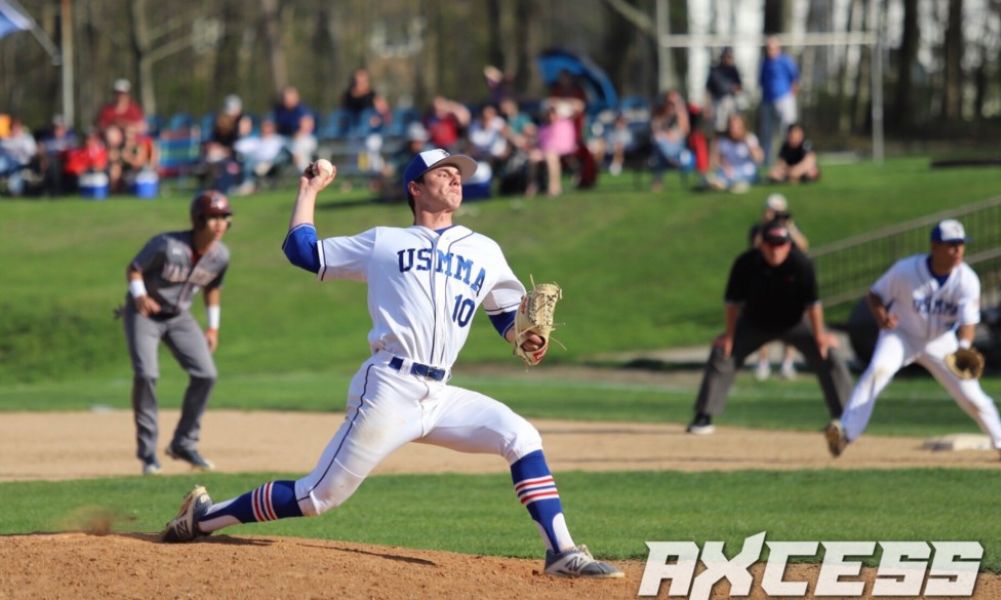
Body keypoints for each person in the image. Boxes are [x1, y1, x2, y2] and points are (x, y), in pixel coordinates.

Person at [159, 149, 624, 579]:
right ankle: (204, 518)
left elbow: (504, 312)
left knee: (521, 436)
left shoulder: (484, 250)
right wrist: (309, 191)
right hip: (389, 388)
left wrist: (526, 339)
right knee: (316, 497)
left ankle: (560, 552)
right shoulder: (383, 242)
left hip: (441, 396)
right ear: (415, 189)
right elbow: (303, 252)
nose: (455, 179)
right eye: (443, 173)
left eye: (458, 173)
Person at [825, 220, 1001, 462]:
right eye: (951, 245)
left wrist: (962, 349)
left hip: (940, 341)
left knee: (972, 396)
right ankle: (845, 433)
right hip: (900, 335)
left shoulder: (967, 280)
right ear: (935, 247)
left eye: (961, 245)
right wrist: (882, 318)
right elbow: (875, 294)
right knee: (876, 372)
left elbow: (968, 322)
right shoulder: (905, 270)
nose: (958, 251)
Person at [686, 220, 851, 435]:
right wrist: (729, 335)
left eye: (781, 243)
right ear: (761, 245)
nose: (776, 249)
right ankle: (704, 416)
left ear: (789, 245)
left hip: (794, 322)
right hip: (755, 321)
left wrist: (820, 335)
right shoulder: (745, 264)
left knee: (828, 354)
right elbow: (732, 303)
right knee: (722, 353)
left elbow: (813, 305)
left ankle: (846, 419)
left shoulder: (801, 264)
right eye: (771, 244)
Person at [123, 191, 233, 475]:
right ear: (198, 219)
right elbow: (134, 269)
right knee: (147, 374)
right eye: (212, 217)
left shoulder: (220, 255)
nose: (219, 223)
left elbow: (213, 288)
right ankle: (148, 455)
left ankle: (184, 443)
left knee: (206, 374)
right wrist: (139, 296)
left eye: (224, 217)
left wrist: (213, 327)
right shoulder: (167, 244)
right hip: (144, 313)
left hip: (179, 316)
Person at [748, 193, 810, 380]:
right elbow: (755, 247)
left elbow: (804, 246)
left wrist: (788, 227)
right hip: (766, 281)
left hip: (789, 282)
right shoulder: (759, 229)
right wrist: (767, 225)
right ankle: (763, 363)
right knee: (762, 322)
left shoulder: (790, 228)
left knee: (791, 322)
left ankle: (787, 363)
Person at [758, 36, 800, 166]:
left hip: (784, 99)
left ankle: (789, 159)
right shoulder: (764, 63)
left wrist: (790, 96)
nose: (769, 51)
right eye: (767, 48)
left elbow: (795, 80)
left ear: (778, 48)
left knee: (787, 131)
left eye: (771, 48)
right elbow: (761, 82)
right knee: (767, 133)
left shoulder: (786, 61)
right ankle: (767, 162)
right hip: (767, 101)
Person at [707, 113, 762, 193]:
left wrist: (749, 145)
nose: (734, 129)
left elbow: (759, 159)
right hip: (728, 171)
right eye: (731, 126)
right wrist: (724, 165)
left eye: (737, 127)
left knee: (747, 173)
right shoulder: (722, 140)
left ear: (743, 127)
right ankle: (725, 184)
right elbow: (714, 162)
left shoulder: (750, 138)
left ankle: (733, 184)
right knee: (715, 175)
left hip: (745, 171)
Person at [649, 90, 691, 192]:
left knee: (659, 152)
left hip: (676, 145)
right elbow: (654, 130)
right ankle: (669, 159)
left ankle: (658, 179)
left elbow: (685, 130)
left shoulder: (681, 114)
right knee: (658, 142)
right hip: (663, 145)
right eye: (669, 102)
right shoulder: (660, 113)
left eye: (674, 102)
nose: (671, 105)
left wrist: (672, 134)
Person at [705, 47, 746, 134]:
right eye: (726, 56)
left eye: (730, 56)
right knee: (718, 127)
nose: (728, 59)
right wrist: (707, 106)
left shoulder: (734, 70)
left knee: (732, 126)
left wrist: (735, 89)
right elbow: (708, 90)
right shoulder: (715, 70)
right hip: (717, 102)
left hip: (731, 101)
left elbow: (740, 88)